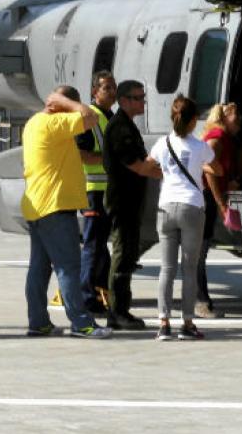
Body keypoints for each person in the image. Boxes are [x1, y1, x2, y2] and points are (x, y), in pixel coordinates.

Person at [20, 85, 112, 339]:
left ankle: (38, 322)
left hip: (38, 205)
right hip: (56, 206)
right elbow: (90, 118)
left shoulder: (33, 123)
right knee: (69, 267)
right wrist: (67, 103)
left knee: (39, 268)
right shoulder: (56, 123)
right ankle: (82, 324)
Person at [148, 95, 218, 341]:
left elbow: (148, 165)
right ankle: (187, 323)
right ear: (193, 121)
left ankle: (163, 323)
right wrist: (200, 168)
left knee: (166, 268)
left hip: (166, 207)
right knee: (189, 267)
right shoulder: (200, 146)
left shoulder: (162, 143)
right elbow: (217, 168)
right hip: (191, 207)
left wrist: (166, 174)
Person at [104, 79, 162, 330]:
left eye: (142, 97)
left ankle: (120, 310)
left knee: (127, 254)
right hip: (123, 200)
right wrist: (170, 170)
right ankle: (117, 311)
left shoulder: (127, 125)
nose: (143, 102)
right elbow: (138, 166)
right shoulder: (120, 128)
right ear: (124, 100)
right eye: (138, 98)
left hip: (130, 200)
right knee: (123, 254)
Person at [194, 102, 240, 319]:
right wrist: (221, 203)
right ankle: (200, 301)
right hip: (205, 199)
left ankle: (200, 299)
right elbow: (209, 171)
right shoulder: (218, 137)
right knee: (199, 252)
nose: (239, 121)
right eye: (236, 117)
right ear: (225, 117)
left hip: (206, 197)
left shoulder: (222, 137)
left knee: (199, 252)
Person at [77, 71, 117, 315]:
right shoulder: (90, 118)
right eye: (106, 88)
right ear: (94, 92)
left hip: (107, 191)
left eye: (114, 88)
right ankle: (86, 296)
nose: (112, 92)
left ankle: (101, 291)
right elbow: (82, 154)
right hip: (94, 191)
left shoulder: (110, 117)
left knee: (101, 245)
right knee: (92, 245)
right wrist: (112, 158)